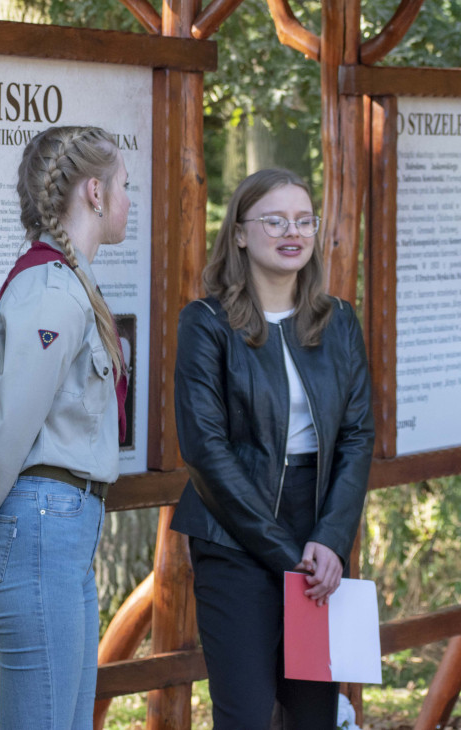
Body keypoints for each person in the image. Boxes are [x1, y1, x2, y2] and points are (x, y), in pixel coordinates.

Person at [170, 168, 374, 728]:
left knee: (313, 713)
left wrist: (330, 541)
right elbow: (205, 449)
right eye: (275, 220)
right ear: (239, 233)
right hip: (233, 536)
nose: (294, 232)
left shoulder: (339, 322)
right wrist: (290, 557)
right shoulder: (206, 323)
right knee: (246, 715)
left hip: (320, 535)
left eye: (305, 220)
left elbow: (358, 435)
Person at [0, 126, 130, 729]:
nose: (128, 199)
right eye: (124, 185)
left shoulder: (71, 281)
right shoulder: (51, 289)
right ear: (94, 192)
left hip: (62, 529)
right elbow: (6, 430)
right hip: (40, 524)